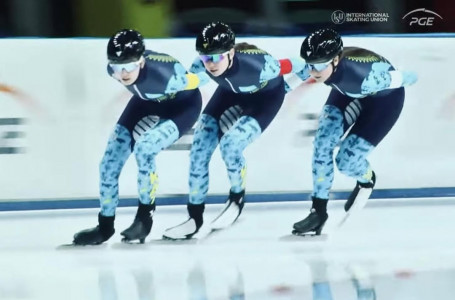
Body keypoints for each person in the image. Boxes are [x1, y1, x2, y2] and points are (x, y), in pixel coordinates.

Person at [163, 22, 306, 240]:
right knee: (199, 151)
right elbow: (192, 85)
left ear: (230, 53)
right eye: (205, 57)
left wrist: (287, 88)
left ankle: (237, 198)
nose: (210, 64)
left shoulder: (260, 65)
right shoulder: (200, 65)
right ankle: (194, 217)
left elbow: (301, 65)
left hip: (265, 100)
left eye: (216, 57)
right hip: (229, 94)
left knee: (231, 145)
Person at [72, 29, 209, 245]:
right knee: (108, 164)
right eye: (118, 67)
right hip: (145, 102)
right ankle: (105, 226)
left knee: (145, 148)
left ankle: (144, 219)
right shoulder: (113, 70)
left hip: (183, 107)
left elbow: (201, 79)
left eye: (130, 66)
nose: (124, 73)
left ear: (142, 61)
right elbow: (123, 70)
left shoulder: (166, 77)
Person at [292, 28, 418, 236]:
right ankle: (318, 212)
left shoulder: (364, 77)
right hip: (348, 92)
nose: (314, 71)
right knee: (323, 143)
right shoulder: (316, 65)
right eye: (310, 64)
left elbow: (408, 77)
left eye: (320, 64)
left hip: (385, 101)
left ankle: (367, 179)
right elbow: (288, 85)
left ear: (335, 60)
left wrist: (409, 77)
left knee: (346, 162)